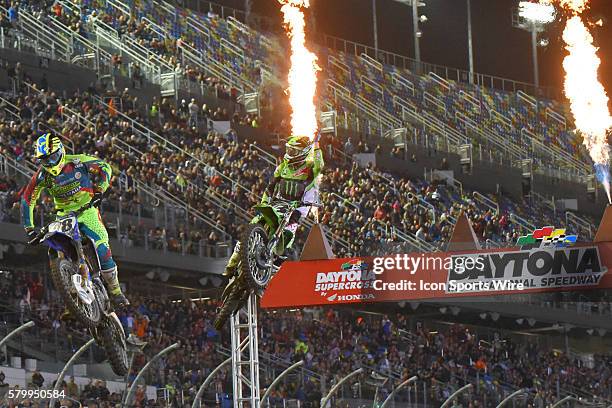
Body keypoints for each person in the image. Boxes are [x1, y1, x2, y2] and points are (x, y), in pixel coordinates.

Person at [21, 133, 129, 307]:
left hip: (87, 211)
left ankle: (115, 291)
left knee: (102, 246)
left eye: (53, 157)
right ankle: (71, 302)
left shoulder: (78, 162)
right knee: (56, 248)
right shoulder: (42, 176)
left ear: (61, 151)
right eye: (45, 160)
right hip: (63, 215)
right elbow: (27, 199)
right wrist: (29, 228)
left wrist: (100, 189)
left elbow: (105, 167)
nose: (50, 163)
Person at [223, 135, 324, 278]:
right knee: (255, 221)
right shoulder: (283, 166)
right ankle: (232, 262)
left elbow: (320, 166)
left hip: (299, 206)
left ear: (303, 152)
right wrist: (265, 201)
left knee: (289, 230)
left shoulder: (309, 168)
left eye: (293, 151)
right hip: (278, 202)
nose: (290, 153)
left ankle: (279, 257)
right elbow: (270, 187)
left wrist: (317, 145)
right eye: (289, 149)